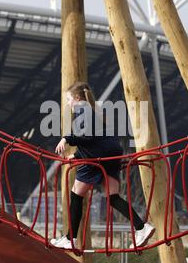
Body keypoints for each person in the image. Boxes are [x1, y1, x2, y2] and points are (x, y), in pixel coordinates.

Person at [50, 82, 155, 249]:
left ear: (77, 98)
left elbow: (88, 137)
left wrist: (66, 138)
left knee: (76, 195)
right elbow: (96, 139)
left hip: (97, 159)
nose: (68, 103)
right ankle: (142, 227)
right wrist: (76, 155)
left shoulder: (83, 111)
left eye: (69, 99)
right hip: (112, 154)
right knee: (112, 197)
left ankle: (70, 239)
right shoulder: (93, 112)